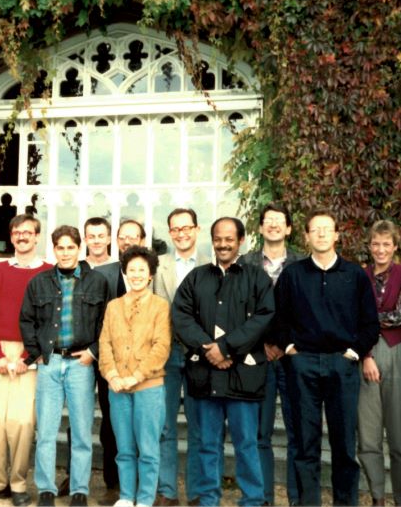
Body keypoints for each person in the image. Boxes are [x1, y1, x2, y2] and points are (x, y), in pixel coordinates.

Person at [274, 209, 380, 506]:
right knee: (305, 443)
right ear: (306, 236)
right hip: (303, 364)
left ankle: (344, 502)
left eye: (327, 229)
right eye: (315, 229)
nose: (321, 233)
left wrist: (354, 352)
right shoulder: (293, 275)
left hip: (341, 364)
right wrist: (289, 349)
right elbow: (278, 318)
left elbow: (370, 323)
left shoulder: (355, 275)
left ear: (336, 235)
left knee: (344, 443)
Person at [172, 217, 275, 507]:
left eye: (229, 239)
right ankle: (208, 500)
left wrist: (227, 349)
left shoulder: (257, 278)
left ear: (241, 240)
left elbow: (264, 318)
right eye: (218, 239)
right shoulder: (196, 277)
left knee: (247, 444)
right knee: (207, 444)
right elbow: (181, 316)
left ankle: (252, 500)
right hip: (205, 375)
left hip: (245, 376)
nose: (223, 244)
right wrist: (210, 350)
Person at [20, 225, 110, 507]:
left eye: (71, 247)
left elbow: (106, 322)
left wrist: (93, 352)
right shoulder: (39, 282)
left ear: (79, 248)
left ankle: (79, 490)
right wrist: (37, 353)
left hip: (81, 364)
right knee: (46, 431)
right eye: (61, 247)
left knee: (82, 431)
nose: (66, 252)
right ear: (54, 249)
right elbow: (26, 320)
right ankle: (46, 489)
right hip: (50, 362)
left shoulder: (97, 282)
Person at [0, 214, 52, 507]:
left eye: (28, 232)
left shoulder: (48, 272)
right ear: (11, 237)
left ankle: (18, 484)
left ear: (37, 236)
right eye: (17, 232)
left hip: (31, 352)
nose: (22, 236)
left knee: (22, 421)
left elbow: (49, 320)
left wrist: (28, 358)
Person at [100, 246, 171, 507]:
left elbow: (161, 346)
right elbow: (105, 343)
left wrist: (137, 376)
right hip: (118, 387)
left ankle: (145, 499)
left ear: (150, 275)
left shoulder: (160, 306)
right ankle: (126, 496)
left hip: (148, 387)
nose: (137, 274)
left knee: (148, 449)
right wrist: (111, 375)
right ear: (125, 273)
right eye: (132, 270)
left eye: (142, 270)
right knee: (124, 448)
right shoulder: (113, 307)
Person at [242, 202, 302, 507]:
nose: (274, 224)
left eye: (280, 220)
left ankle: (296, 498)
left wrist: (285, 343)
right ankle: (263, 498)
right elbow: (239, 310)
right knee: (259, 433)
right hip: (258, 356)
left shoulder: (303, 263)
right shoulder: (246, 263)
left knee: (297, 433)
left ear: (288, 228)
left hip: (294, 357)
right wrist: (261, 344)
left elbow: (308, 312)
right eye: (268, 220)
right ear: (261, 226)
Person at [152, 208, 210, 506]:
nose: (182, 233)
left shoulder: (211, 264)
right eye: (176, 229)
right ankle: (167, 491)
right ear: (170, 232)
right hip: (167, 352)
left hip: (202, 354)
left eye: (187, 228)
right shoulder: (158, 265)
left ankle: (197, 491)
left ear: (197, 229)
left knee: (199, 424)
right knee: (164, 425)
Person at [357, 220, 401, 506]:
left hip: (400, 354)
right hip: (365, 357)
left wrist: (366, 319)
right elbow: (350, 317)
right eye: (375, 244)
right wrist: (366, 355)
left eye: (386, 244)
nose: (380, 249)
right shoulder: (359, 276)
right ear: (369, 246)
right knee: (368, 436)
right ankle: (378, 497)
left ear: (395, 246)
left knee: (400, 436)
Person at [93, 219, 146, 505]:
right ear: (116, 241)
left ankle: (144, 485)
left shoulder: (152, 273)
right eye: (122, 237)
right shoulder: (102, 274)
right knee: (112, 424)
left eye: (133, 237)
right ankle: (113, 484)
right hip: (110, 363)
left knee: (143, 425)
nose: (127, 242)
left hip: (145, 364)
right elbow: (94, 320)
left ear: (143, 240)